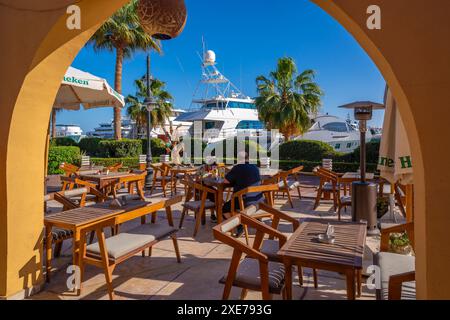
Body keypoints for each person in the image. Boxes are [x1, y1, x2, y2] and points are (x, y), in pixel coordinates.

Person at [211, 151, 263, 236]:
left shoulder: (238, 167)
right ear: (248, 158)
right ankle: (255, 220)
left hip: (244, 201)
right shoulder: (255, 167)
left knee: (225, 209)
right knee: (234, 201)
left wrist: (221, 174)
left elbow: (225, 181)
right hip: (258, 200)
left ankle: (240, 224)